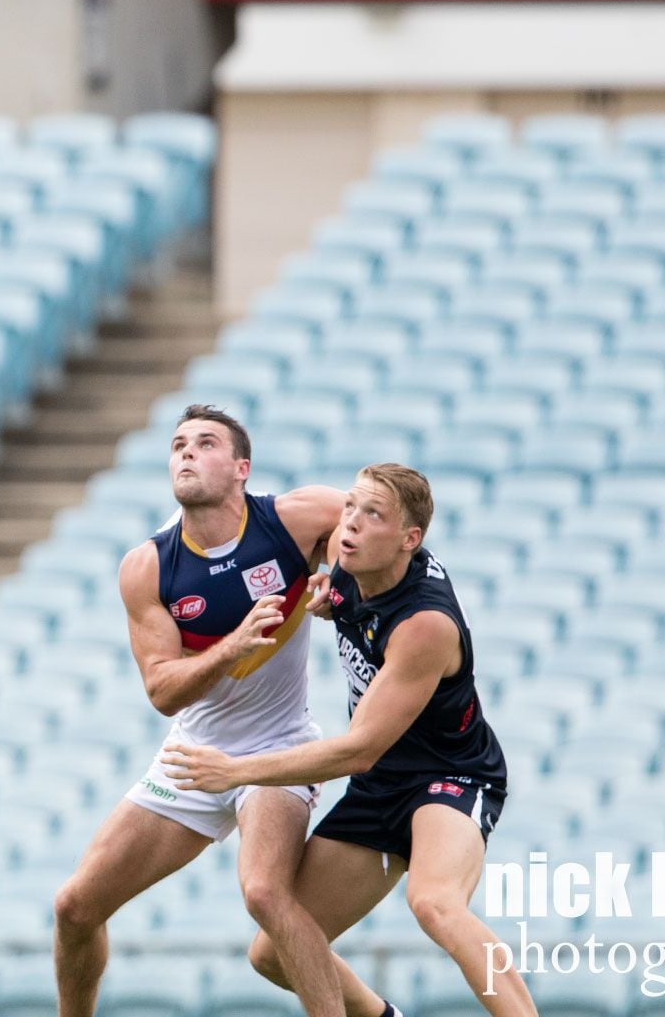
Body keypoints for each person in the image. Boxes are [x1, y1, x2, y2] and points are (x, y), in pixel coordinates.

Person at [163, 463, 524, 1017]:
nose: (348, 524)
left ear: (410, 540)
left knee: (434, 902)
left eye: (370, 514)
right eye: (349, 506)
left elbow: (358, 749)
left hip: (450, 777)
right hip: (381, 786)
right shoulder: (351, 557)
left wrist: (236, 771)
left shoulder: (424, 623)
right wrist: (333, 594)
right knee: (276, 953)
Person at [49, 406, 349, 1017]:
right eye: (178, 444)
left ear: (242, 468)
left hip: (278, 746)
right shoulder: (150, 567)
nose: (186, 452)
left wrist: (345, 579)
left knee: (265, 891)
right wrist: (232, 647)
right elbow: (162, 692)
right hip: (192, 753)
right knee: (75, 908)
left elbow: (385, 529)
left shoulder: (297, 518)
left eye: (205, 443)